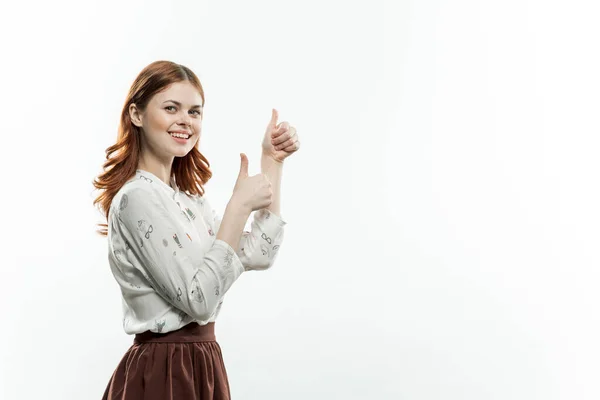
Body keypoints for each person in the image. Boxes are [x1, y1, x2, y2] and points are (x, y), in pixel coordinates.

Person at [92, 60, 300, 399]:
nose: (185, 121)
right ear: (137, 114)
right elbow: (199, 301)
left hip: (203, 362)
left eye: (194, 112)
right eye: (171, 108)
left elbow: (260, 252)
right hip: (162, 368)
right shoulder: (136, 198)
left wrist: (272, 161)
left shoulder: (188, 200)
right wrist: (238, 207)